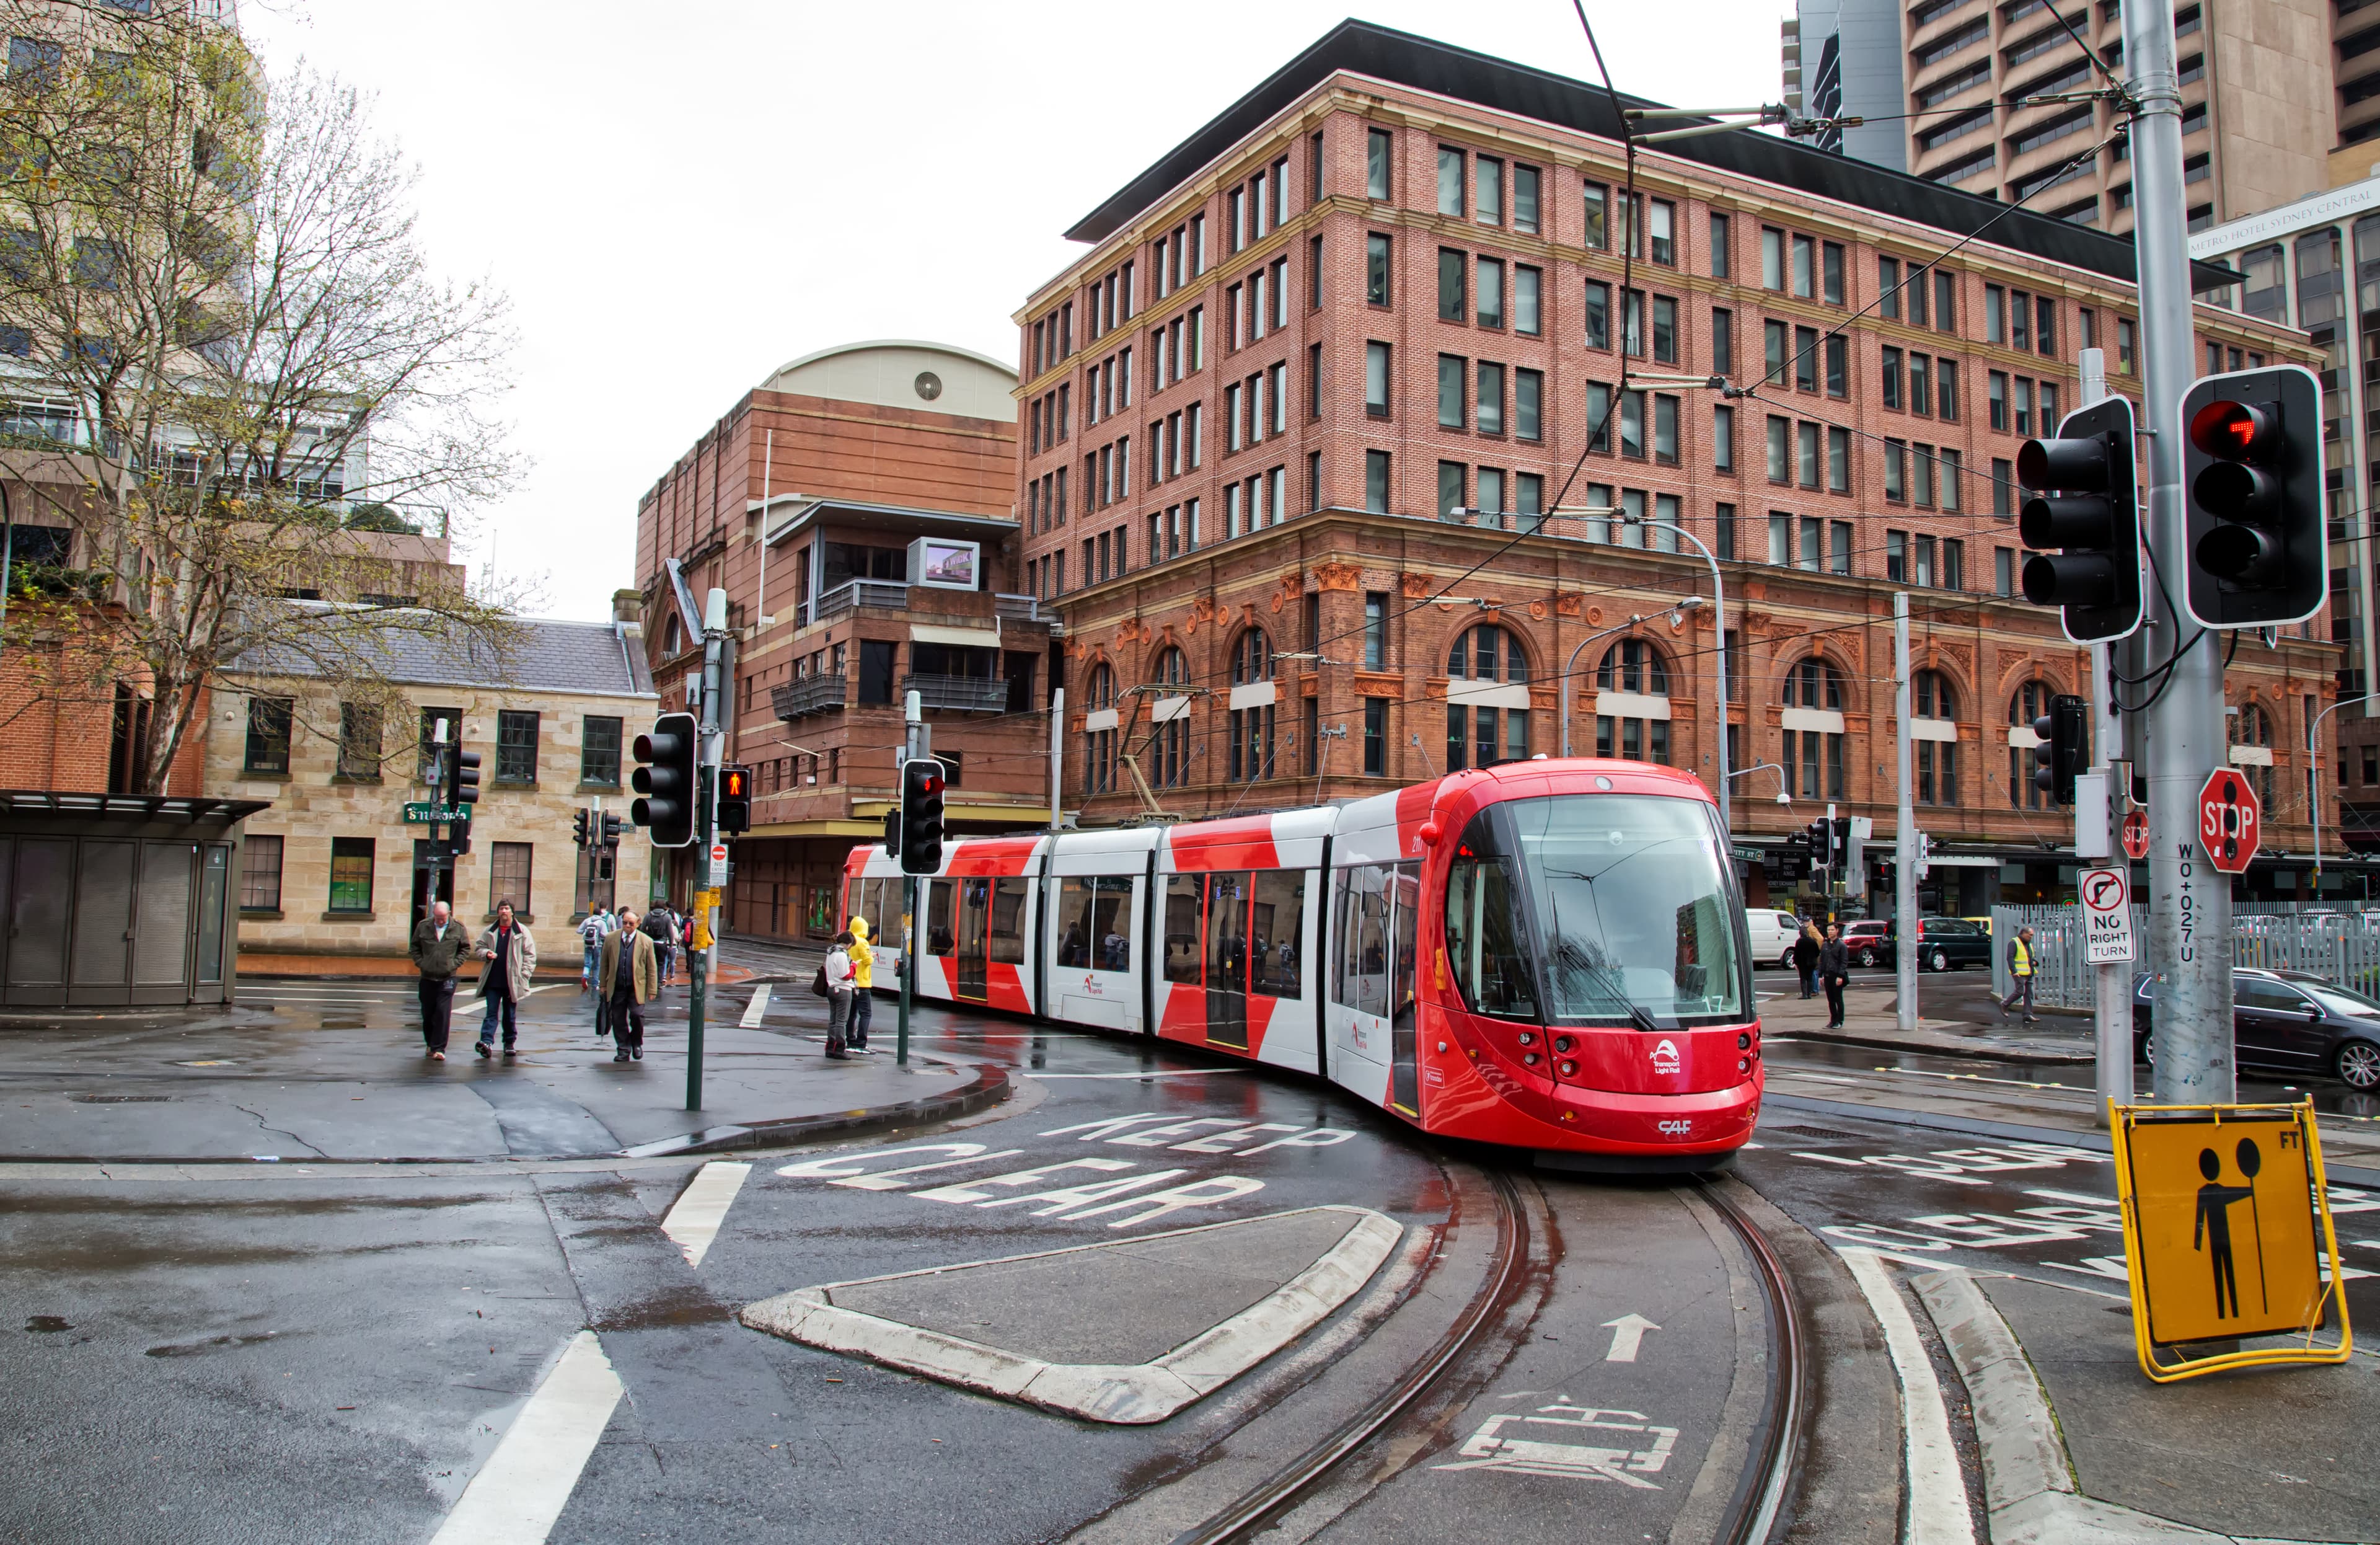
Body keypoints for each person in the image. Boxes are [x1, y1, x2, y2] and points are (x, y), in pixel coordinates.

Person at [474, 899, 537, 1058]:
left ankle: (509, 1043)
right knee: (491, 1013)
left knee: (509, 1014)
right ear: (498, 912)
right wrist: (486, 954)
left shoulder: (521, 931)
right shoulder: (490, 930)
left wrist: (524, 975)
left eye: (507, 909)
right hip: (493, 980)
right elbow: (479, 947)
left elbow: (530, 955)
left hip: (512, 980)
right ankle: (486, 1042)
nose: (504, 912)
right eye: (501, 909)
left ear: (512, 912)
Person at [410, 899, 470, 1060]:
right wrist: (421, 963)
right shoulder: (424, 926)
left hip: (447, 977)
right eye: (437, 917)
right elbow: (414, 947)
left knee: (442, 1013)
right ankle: (430, 1043)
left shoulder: (458, 927)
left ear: (449, 914)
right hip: (427, 977)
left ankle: (439, 1048)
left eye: (443, 917)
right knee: (428, 1013)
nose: (440, 921)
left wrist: (454, 965)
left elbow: (465, 949)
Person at [596, 906, 658, 1062]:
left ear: (638, 923)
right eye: (625, 923)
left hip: (636, 987)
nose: (627, 926)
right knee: (618, 1019)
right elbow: (604, 964)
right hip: (617, 987)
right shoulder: (611, 939)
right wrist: (603, 984)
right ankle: (623, 1049)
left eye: (631, 923)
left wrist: (652, 989)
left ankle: (636, 1043)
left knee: (637, 1016)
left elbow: (652, 968)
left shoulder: (646, 941)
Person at [822, 931, 856, 1060]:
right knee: (841, 1021)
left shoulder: (830, 952)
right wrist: (854, 966)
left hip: (831, 988)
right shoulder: (842, 955)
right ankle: (840, 1049)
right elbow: (846, 975)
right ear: (848, 944)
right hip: (842, 990)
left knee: (833, 1021)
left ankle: (830, 1048)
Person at [845, 915, 875, 1051]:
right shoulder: (862, 942)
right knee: (866, 1013)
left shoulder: (849, 941)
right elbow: (867, 961)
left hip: (850, 982)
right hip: (862, 983)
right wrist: (872, 957)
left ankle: (850, 1040)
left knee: (852, 1014)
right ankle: (861, 1042)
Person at [2000, 924, 2039, 1023]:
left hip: (2029, 972)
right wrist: (2014, 971)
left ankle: (2028, 1015)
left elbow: (2030, 957)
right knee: (2020, 992)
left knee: (2029, 994)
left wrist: (2035, 962)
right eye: (2029, 935)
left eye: (2032, 935)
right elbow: (2010, 958)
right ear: (2023, 933)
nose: (2031, 937)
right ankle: (2005, 1004)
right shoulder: (2014, 943)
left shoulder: (2029, 944)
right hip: (2019, 973)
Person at [1818, 923, 1851, 1030]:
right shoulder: (1825, 945)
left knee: (1838, 999)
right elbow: (1822, 961)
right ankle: (1833, 1020)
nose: (1830, 932)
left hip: (1837, 976)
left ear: (1837, 931)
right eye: (1829, 930)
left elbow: (1844, 962)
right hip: (1827, 975)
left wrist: (1840, 976)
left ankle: (1840, 1021)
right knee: (1830, 1000)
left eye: (1832, 930)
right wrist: (1820, 975)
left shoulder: (1841, 945)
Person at [1794, 922, 1822, 1001]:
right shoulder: (1812, 941)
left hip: (1802, 963)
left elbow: (1796, 953)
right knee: (1810, 978)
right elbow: (1817, 952)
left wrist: (1796, 963)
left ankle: (1804, 994)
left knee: (1803, 979)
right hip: (1812, 962)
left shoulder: (1799, 942)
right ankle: (1809, 993)